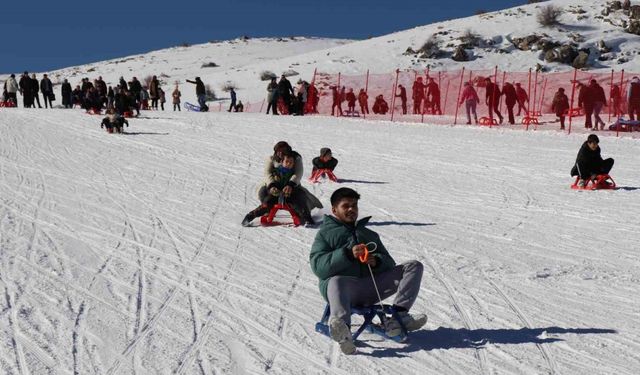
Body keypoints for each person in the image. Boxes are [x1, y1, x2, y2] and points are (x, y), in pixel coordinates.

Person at [309, 187, 427, 355]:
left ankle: (398, 317)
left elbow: (389, 263)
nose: (351, 209)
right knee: (335, 280)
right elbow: (318, 267)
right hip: (344, 290)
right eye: (346, 206)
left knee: (413, 266)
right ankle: (343, 330)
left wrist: (376, 261)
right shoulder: (325, 235)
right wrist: (348, 254)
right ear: (335, 210)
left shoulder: (368, 234)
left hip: (371, 288)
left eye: (354, 205)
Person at [250, 141, 322, 226]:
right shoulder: (272, 159)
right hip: (274, 185)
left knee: (299, 198)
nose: (280, 153)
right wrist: (272, 185)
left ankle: (305, 215)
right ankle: (264, 211)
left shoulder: (295, 158)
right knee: (264, 194)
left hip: (292, 185)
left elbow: (298, 173)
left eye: (283, 151)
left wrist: (291, 184)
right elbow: (267, 173)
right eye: (278, 151)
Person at [242, 150, 310, 226]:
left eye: (291, 162)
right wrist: (273, 188)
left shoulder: (294, 174)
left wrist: (291, 189)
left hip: (290, 196)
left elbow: (296, 183)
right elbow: (270, 182)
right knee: (266, 203)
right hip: (275, 195)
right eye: (287, 161)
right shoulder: (275, 172)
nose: (288, 164)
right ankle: (250, 216)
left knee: (298, 203)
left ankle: (307, 218)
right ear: (282, 161)